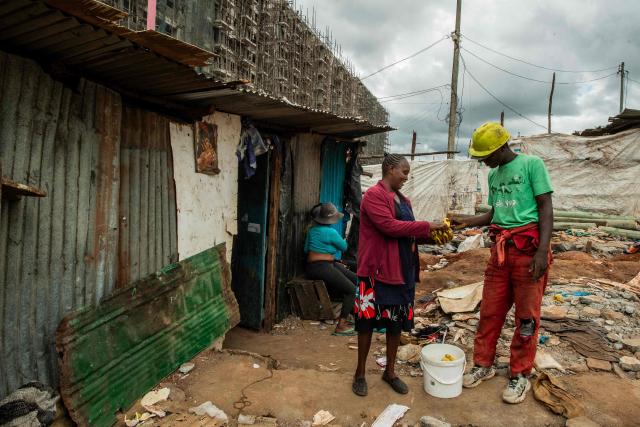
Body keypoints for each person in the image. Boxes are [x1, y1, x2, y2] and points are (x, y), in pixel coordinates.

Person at [449, 122, 553, 404]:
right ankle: (483, 365)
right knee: (490, 312)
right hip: (500, 252)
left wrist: (542, 252)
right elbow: (494, 214)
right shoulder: (494, 176)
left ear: (500, 147)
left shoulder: (532, 165)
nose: (483, 161)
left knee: (527, 319)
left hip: (528, 251)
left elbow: (545, 206)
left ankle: (520, 374)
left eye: (486, 155)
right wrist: (466, 221)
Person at [352, 154, 449, 397]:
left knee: (395, 324)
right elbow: (389, 226)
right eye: (404, 172)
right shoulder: (373, 196)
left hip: (401, 270)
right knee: (366, 324)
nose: (407, 177)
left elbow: (409, 232)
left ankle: (390, 372)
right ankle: (360, 373)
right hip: (376, 270)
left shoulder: (403, 199)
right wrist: (428, 225)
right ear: (390, 169)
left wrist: (437, 234)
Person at [305, 202, 358, 336]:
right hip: (323, 266)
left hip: (315, 266)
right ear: (331, 219)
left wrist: (325, 252)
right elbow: (344, 247)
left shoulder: (312, 231)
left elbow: (306, 250)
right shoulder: (331, 232)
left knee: (356, 280)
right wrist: (331, 251)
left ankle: (355, 315)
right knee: (352, 290)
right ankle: (341, 325)